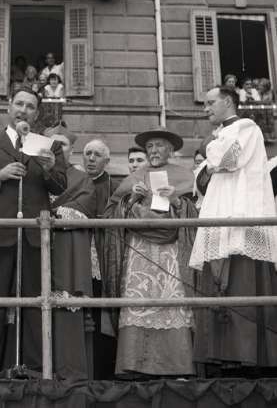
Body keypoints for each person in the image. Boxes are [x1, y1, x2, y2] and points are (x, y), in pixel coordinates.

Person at [0, 87, 66, 376]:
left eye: (30, 106)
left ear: (36, 113)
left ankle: (35, 368)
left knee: (35, 304)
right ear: (9, 107)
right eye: (19, 104)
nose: (24, 110)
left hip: (34, 237)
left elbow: (60, 186)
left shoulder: (49, 146)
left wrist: (50, 168)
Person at [190, 86, 277, 374]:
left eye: (210, 103)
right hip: (219, 215)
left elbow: (227, 160)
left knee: (243, 284)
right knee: (218, 286)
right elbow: (202, 180)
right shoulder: (223, 134)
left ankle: (249, 358)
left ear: (228, 101)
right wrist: (208, 165)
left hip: (242, 218)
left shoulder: (246, 127)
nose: (205, 109)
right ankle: (221, 357)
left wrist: (210, 157)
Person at [102, 127, 198, 378]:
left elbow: (195, 214)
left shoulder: (185, 176)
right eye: (150, 147)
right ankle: (134, 365)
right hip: (139, 251)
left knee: (173, 303)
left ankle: (177, 365)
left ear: (171, 150)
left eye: (160, 146)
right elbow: (111, 213)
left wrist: (176, 200)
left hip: (172, 252)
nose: (154, 151)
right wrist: (131, 199)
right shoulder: (135, 177)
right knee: (138, 301)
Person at [44, 124, 96, 380]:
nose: (56, 148)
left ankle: (70, 370)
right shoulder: (35, 173)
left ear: (72, 150)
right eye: (51, 143)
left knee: (66, 306)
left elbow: (83, 208)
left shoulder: (82, 178)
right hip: (36, 246)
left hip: (67, 249)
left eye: (62, 144)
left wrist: (52, 212)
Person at [82, 139, 116, 380]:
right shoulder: (75, 182)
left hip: (101, 256)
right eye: (87, 153)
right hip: (77, 253)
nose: (91, 158)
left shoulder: (114, 187)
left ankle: (102, 373)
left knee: (100, 315)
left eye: (97, 154)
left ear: (107, 160)